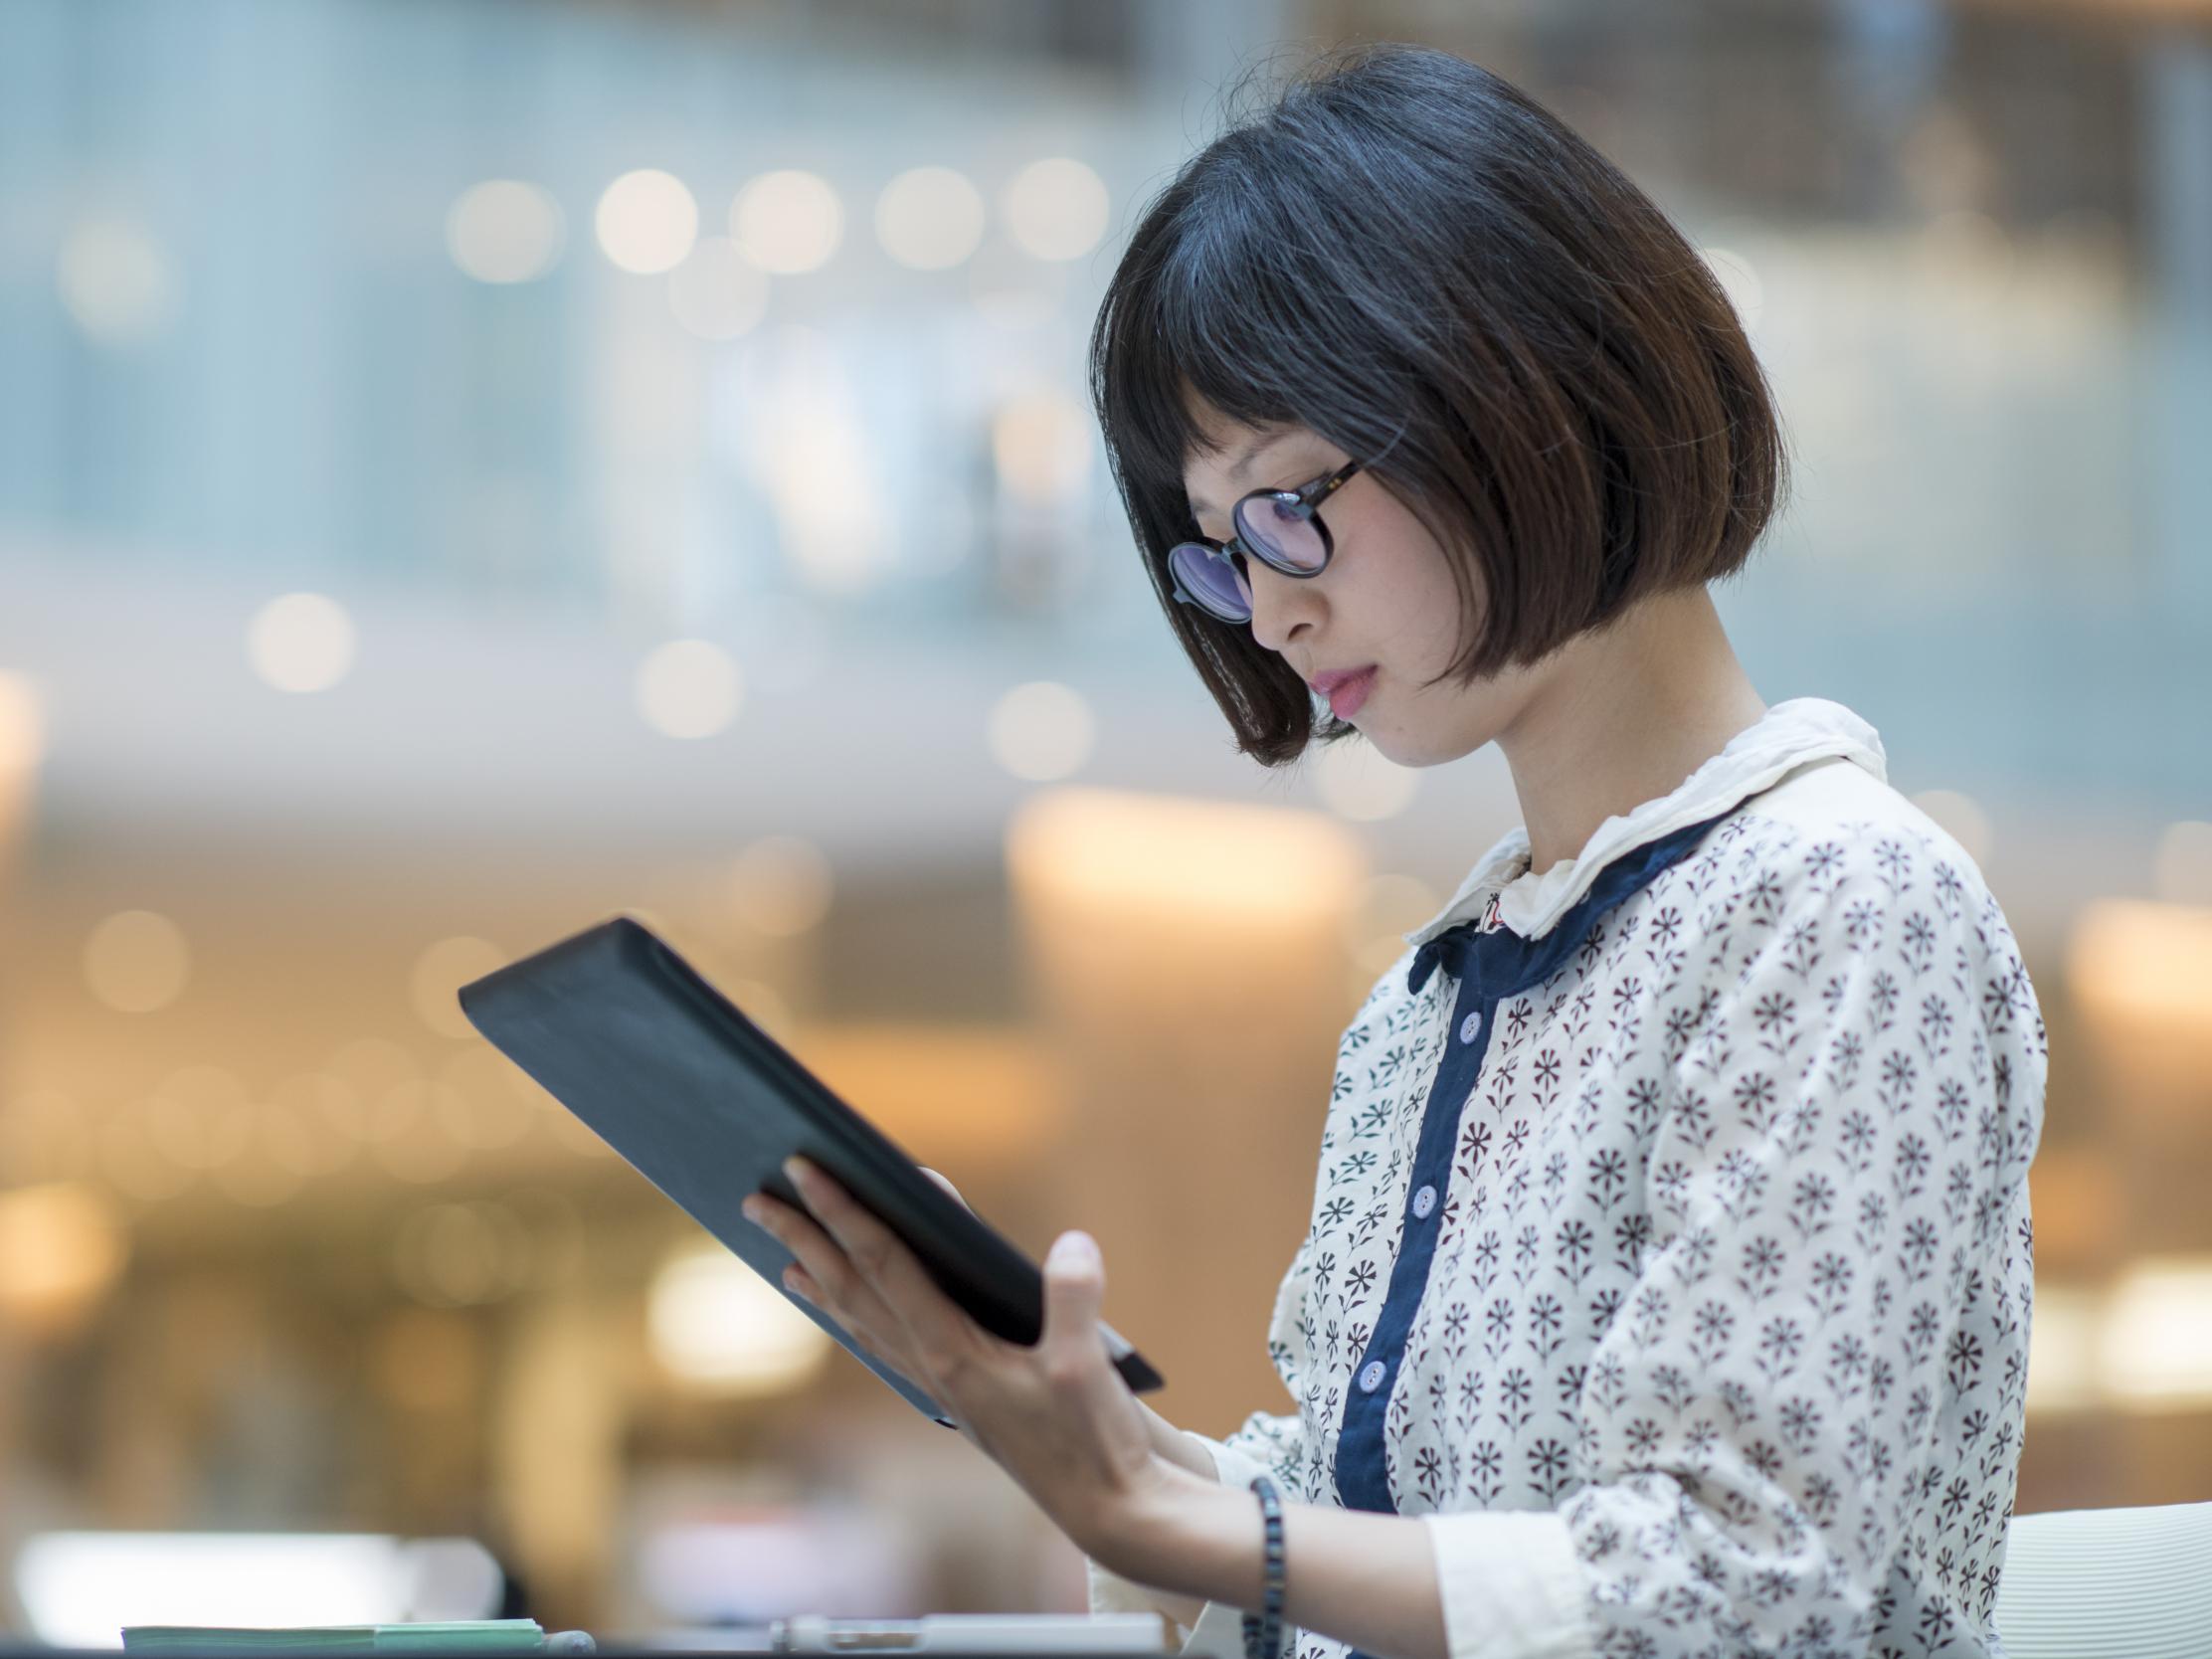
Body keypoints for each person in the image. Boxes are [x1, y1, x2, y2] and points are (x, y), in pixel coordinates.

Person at [738, 42, 2047, 1659]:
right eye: (1220, 553)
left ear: (1522, 384)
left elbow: (1741, 1592)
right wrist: (1064, 1432)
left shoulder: (1843, 905)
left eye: (1292, 501)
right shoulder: (1435, 990)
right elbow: (1349, 1542)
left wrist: (1165, 1518)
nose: (1272, 609)